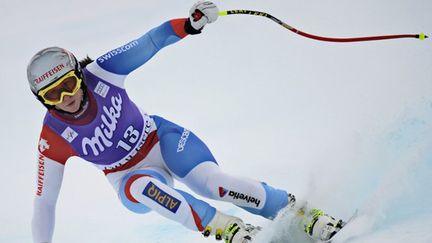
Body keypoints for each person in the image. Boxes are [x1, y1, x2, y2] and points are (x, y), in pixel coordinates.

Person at [28, 1, 344, 242]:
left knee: (215, 184)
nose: (66, 97)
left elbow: (150, 41)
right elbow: (44, 203)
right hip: (127, 178)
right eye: (53, 95)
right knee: (143, 187)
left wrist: (189, 25)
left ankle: (303, 215)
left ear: (80, 77)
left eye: (69, 84)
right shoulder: (52, 137)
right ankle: (230, 230)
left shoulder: (103, 72)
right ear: (43, 100)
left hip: (162, 140)